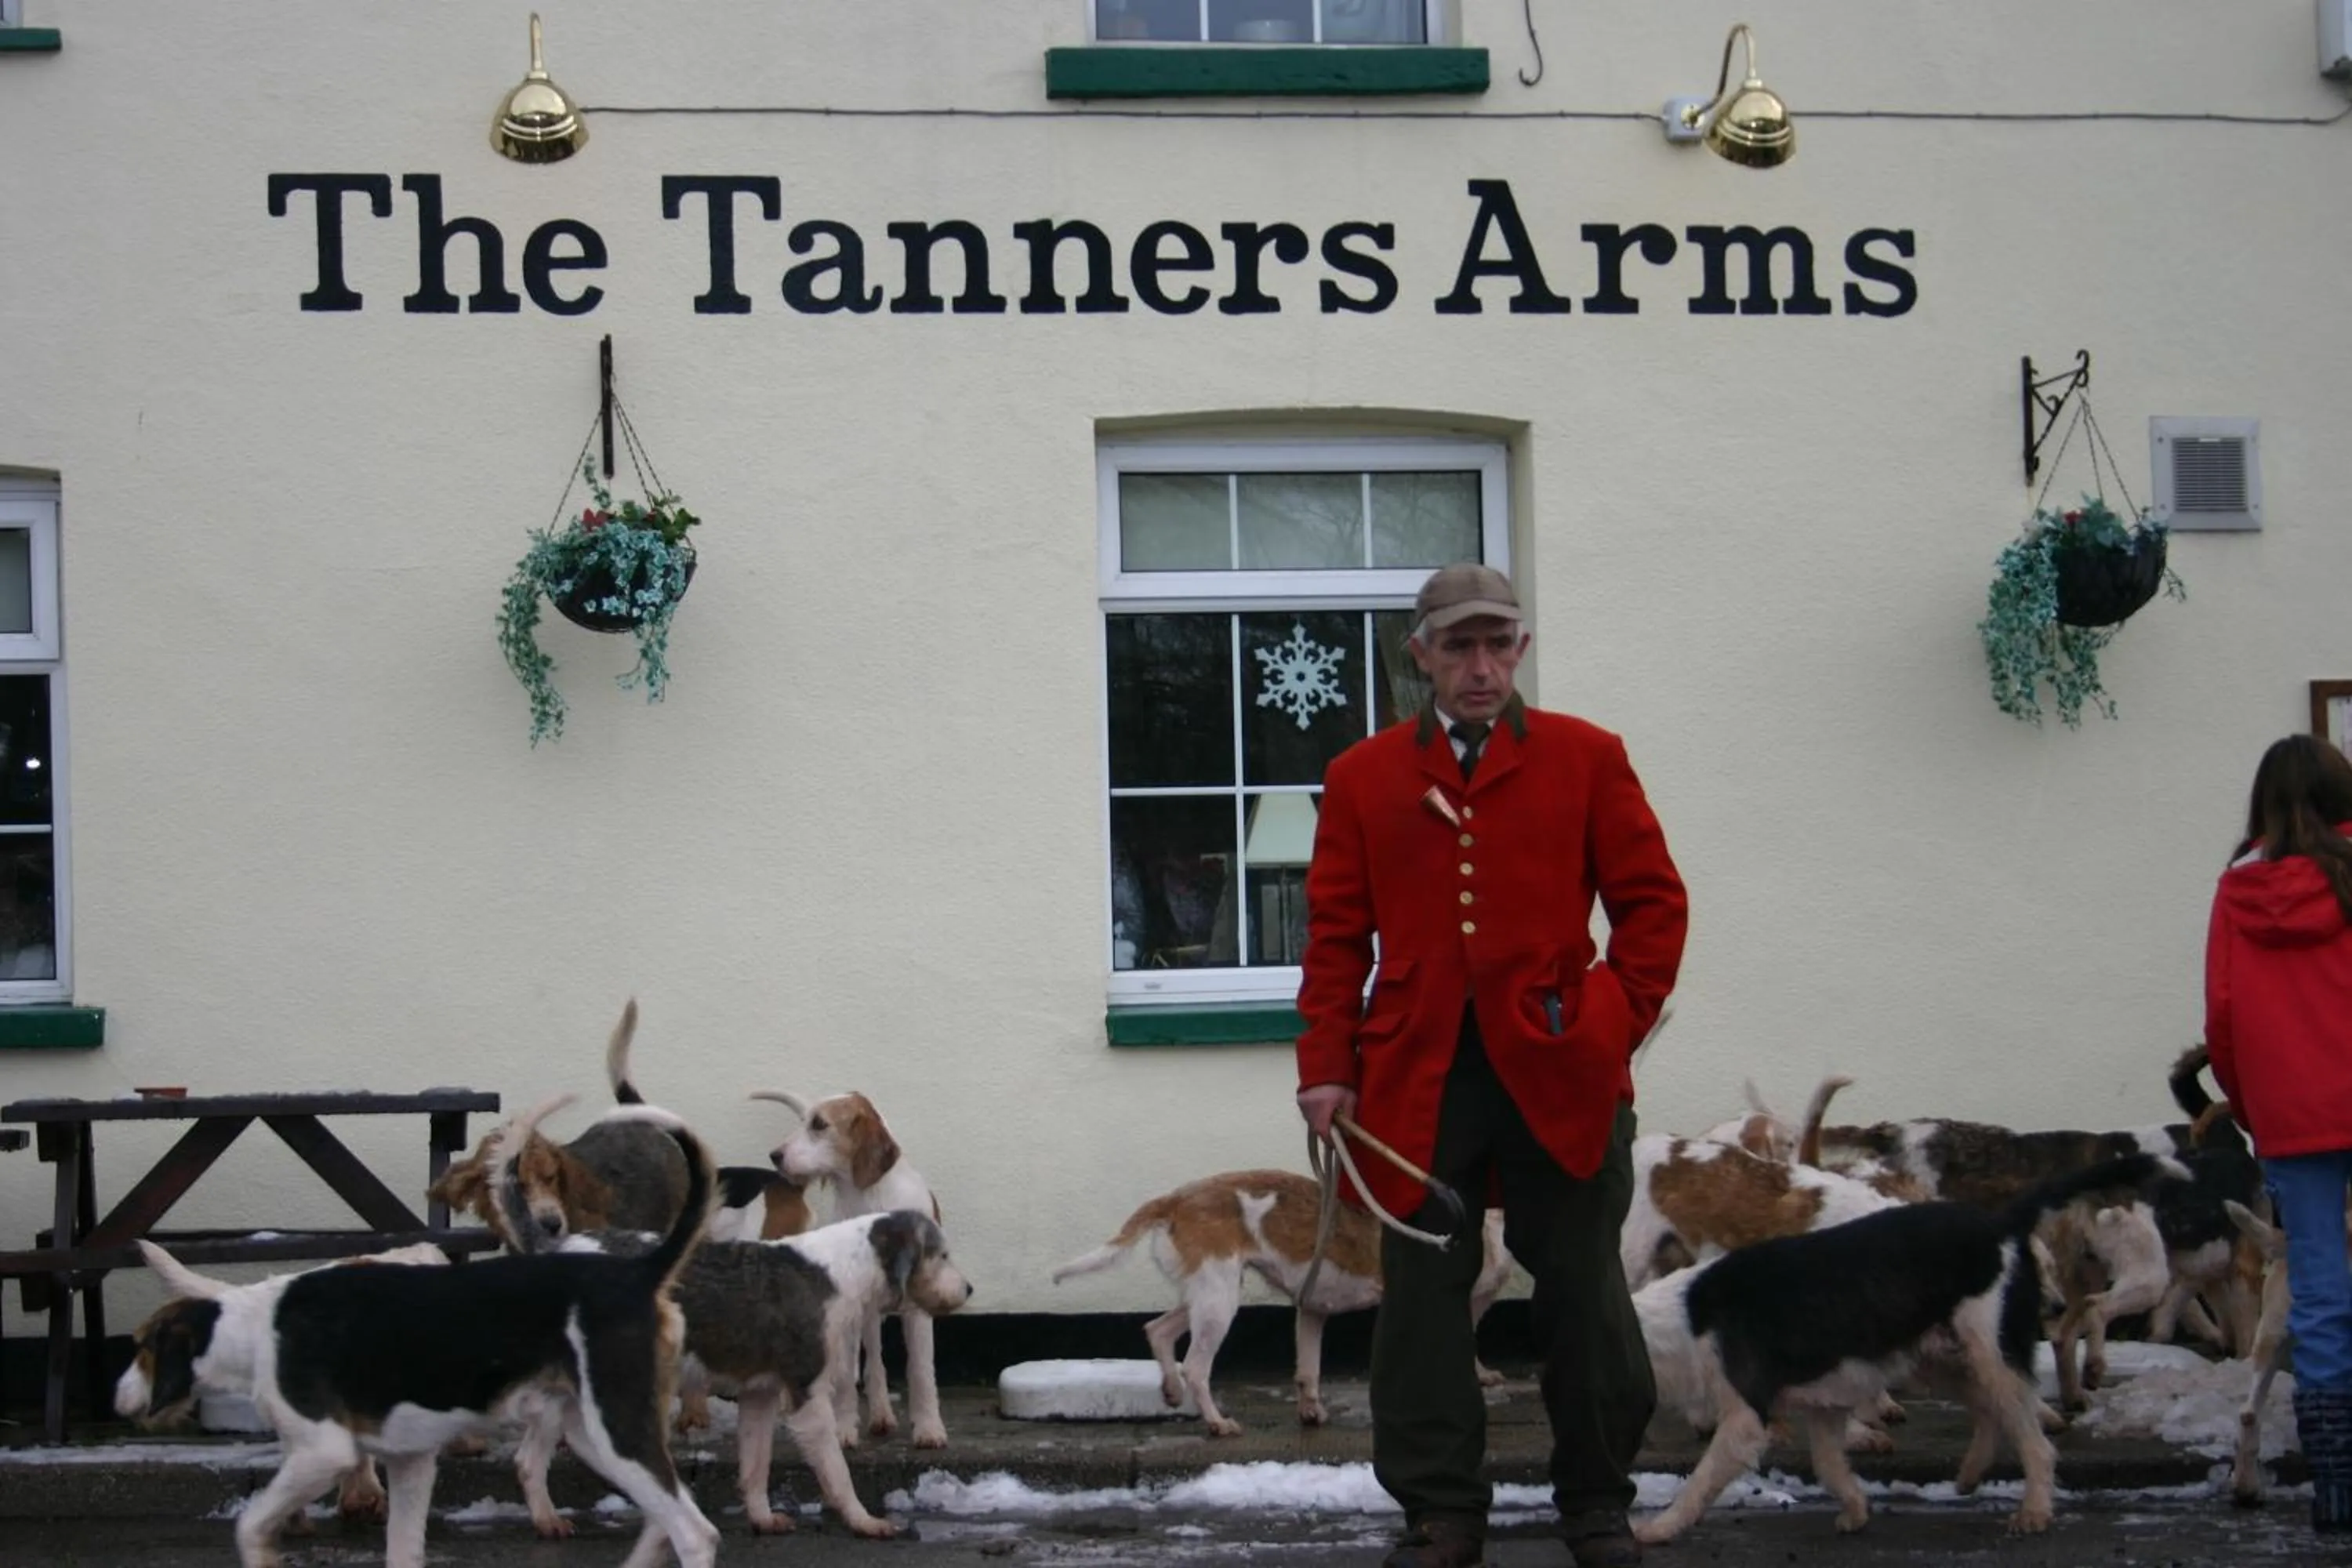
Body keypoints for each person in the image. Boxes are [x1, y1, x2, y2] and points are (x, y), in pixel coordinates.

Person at [1294, 563, 1688, 1568]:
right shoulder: (1362, 776)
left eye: (1498, 643)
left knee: (1588, 1294)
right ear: (1420, 654)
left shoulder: (1587, 757)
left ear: (1520, 648)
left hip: (1565, 1068)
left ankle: (1598, 1500)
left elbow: (1653, 906)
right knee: (1422, 1306)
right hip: (1414, 1078)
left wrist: (1611, 1020)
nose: (1481, 666)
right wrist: (1326, 1064)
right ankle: (1442, 1512)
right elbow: (1337, 939)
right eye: (1459, 645)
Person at [2205, 732, 2352, 1534]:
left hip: (2293, 1116)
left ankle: (2337, 1486)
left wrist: (2251, 1104)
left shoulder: (2238, 891)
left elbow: (2223, 1017)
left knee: (2321, 1298)